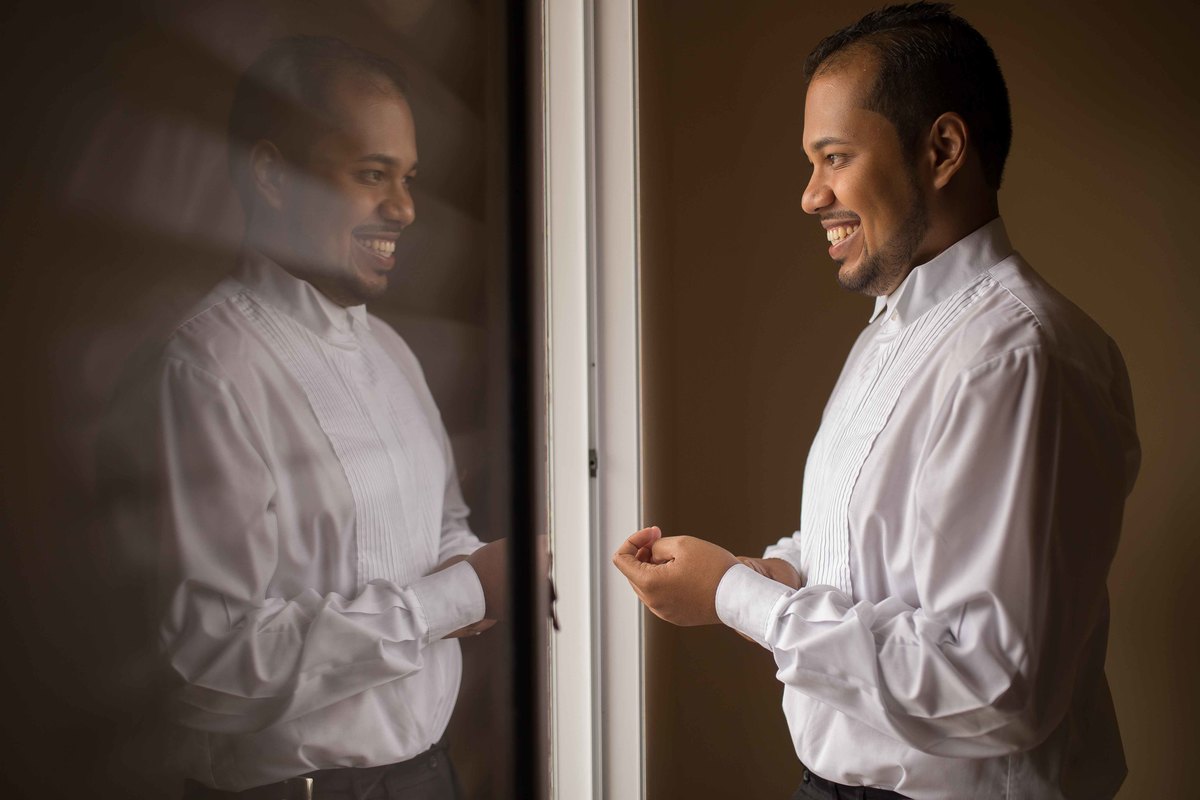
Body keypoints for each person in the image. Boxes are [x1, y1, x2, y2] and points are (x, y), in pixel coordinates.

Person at [613, 4, 1139, 799]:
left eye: (834, 158)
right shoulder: (894, 331)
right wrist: (773, 571)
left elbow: (995, 689)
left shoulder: (1019, 360)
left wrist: (733, 596)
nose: (809, 197)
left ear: (942, 150)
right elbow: (874, 551)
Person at [144, 36, 507, 799]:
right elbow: (212, 665)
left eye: (407, 179)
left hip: (430, 778)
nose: (404, 208)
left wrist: (484, 569)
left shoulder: (393, 354)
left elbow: (442, 527)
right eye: (372, 175)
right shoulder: (208, 369)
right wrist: (466, 593)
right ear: (272, 174)